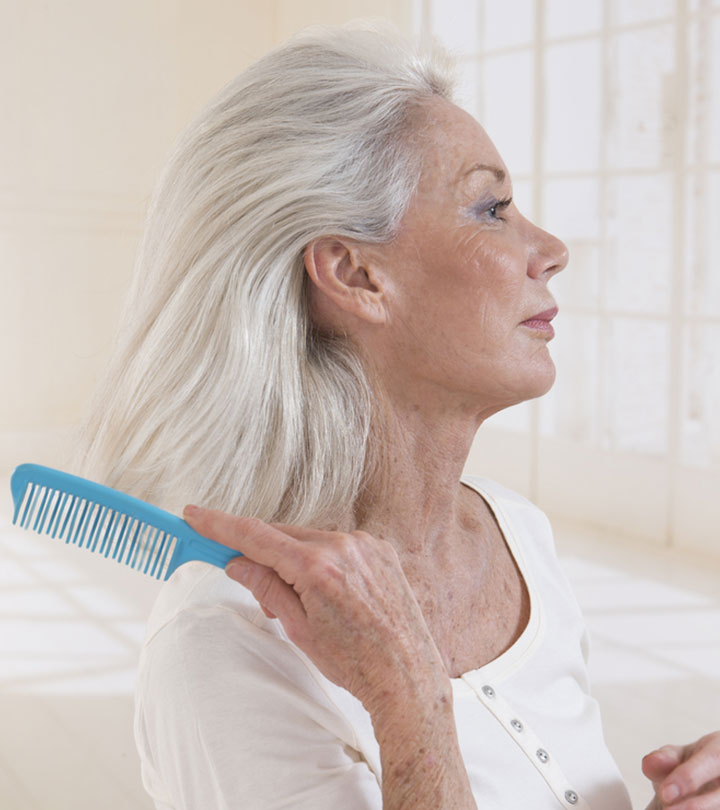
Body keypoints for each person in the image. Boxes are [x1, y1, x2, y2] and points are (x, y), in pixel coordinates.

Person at [77, 23, 720, 810]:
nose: (551, 247)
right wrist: (408, 705)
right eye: (492, 208)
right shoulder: (222, 648)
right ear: (356, 274)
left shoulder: (519, 537)